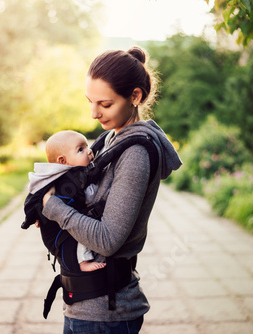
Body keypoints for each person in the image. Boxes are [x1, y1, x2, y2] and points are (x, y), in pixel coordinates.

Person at [41, 46, 182, 334]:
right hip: (87, 306)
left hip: (105, 314)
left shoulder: (135, 154)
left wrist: (55, 209)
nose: (93, 113)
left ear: (135, 96)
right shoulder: (108, 140)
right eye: (90, 102)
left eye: (104, 104)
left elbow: (107, 240)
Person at [27, 129, 106, 272]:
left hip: (62, 224)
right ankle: (83, 261)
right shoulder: (66, 180)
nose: (89, 151)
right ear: (63, 161)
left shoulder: (71, 175)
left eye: (87, 146)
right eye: (81, 149)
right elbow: (35, 196)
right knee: (81, 233)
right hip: (60, 236)